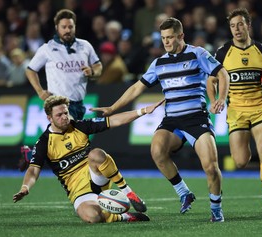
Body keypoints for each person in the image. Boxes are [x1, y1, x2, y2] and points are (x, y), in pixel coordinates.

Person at [91, 17, 229, 222]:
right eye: (163, 38)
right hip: (172, 120)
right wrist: (113, 107)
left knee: (210, 166)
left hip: (196, 119)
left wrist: (221, 98)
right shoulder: (159, 63)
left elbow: (223, 73)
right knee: (156, 151)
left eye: (170, 37)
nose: (166, 42)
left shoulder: (197, 53)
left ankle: (216, 209)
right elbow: (137, 88)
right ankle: (184, 192)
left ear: (181, 36)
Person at [13, 95, 164, 223]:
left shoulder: (80, 126)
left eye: (66, 112)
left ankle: (128, 192)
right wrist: (25, 188)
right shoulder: (44, 142)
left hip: (97, 175)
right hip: (78, 190)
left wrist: (143, 111)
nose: (65, 117)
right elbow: (33, 169)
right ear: (49, 118)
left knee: (96, 154)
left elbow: (114, 121)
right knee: (92, 217)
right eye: (59, 115)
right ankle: (125, 217)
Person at [213, 8, 262, 215]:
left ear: (248, 25)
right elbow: (211, 79)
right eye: (232, 26)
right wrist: (214, 100)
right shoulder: (222, 53)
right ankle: (245, 143)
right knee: (240, 161)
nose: (237, 29)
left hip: (259, 109)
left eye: (240, 24)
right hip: (236, 112)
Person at [26, 9, 103, 121]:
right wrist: (40, 91)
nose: (68, 30)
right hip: (58, 104)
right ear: (57, 27)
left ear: (75, 27)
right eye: (64, 27)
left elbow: (98, 66)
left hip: (79, 104)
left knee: (75, 136)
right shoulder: (47, 49)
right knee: (68, 131)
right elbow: (30, 70)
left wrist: (92, 72)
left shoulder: (85, 46)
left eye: (71, 27)